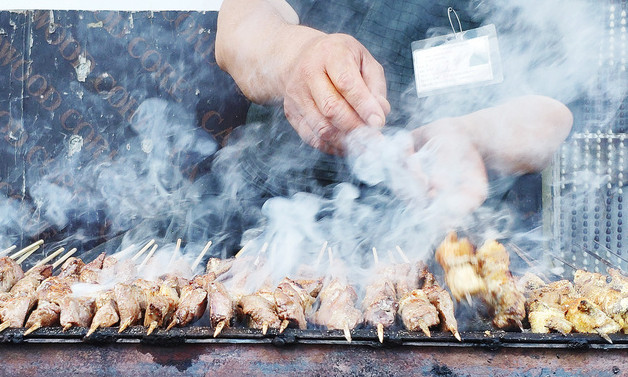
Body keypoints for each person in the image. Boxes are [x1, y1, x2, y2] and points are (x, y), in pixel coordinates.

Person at [214, 0, 573, 212]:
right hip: (280, 221)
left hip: (448, 230)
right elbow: (240, 26)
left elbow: (554, 110)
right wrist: (294, 55)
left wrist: (471, 134)